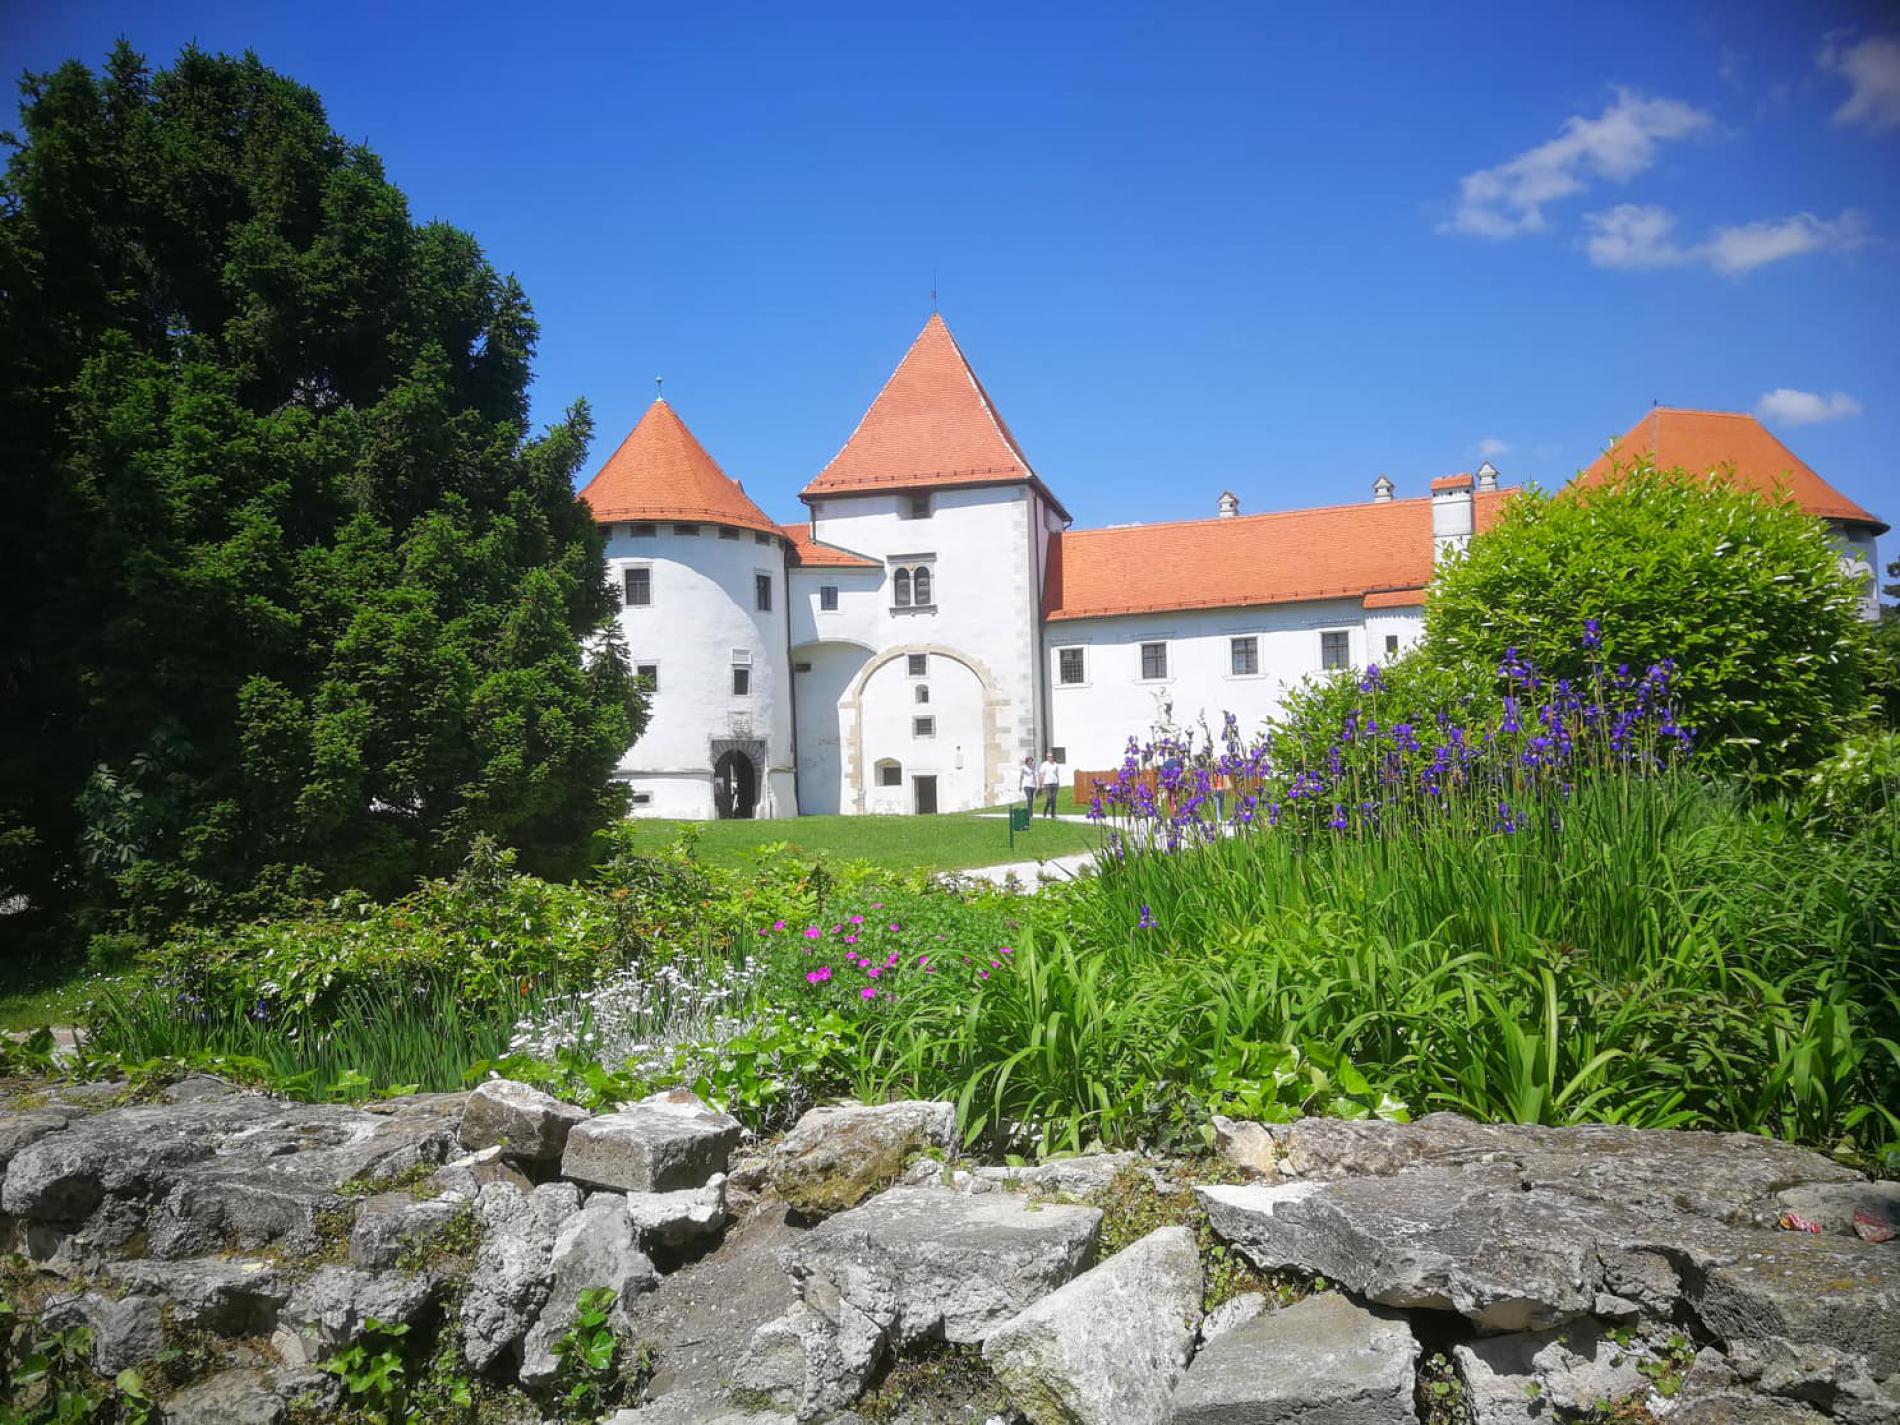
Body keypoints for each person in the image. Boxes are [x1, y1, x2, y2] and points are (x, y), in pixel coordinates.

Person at [1038, 751, 1059, 818]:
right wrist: (1040, 784)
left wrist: (1058, 782)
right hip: (1047, 783)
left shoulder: (1055, 764)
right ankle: (1045, 811)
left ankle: (1053, 814)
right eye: (1049, 757)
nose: (1050, 758)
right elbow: (1041, 774)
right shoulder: (1044, 764)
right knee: (1049, 798)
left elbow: (1056, 774)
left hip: (1055, 783)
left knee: (1054, 799)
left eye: (1051, 757)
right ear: (1047, 757)